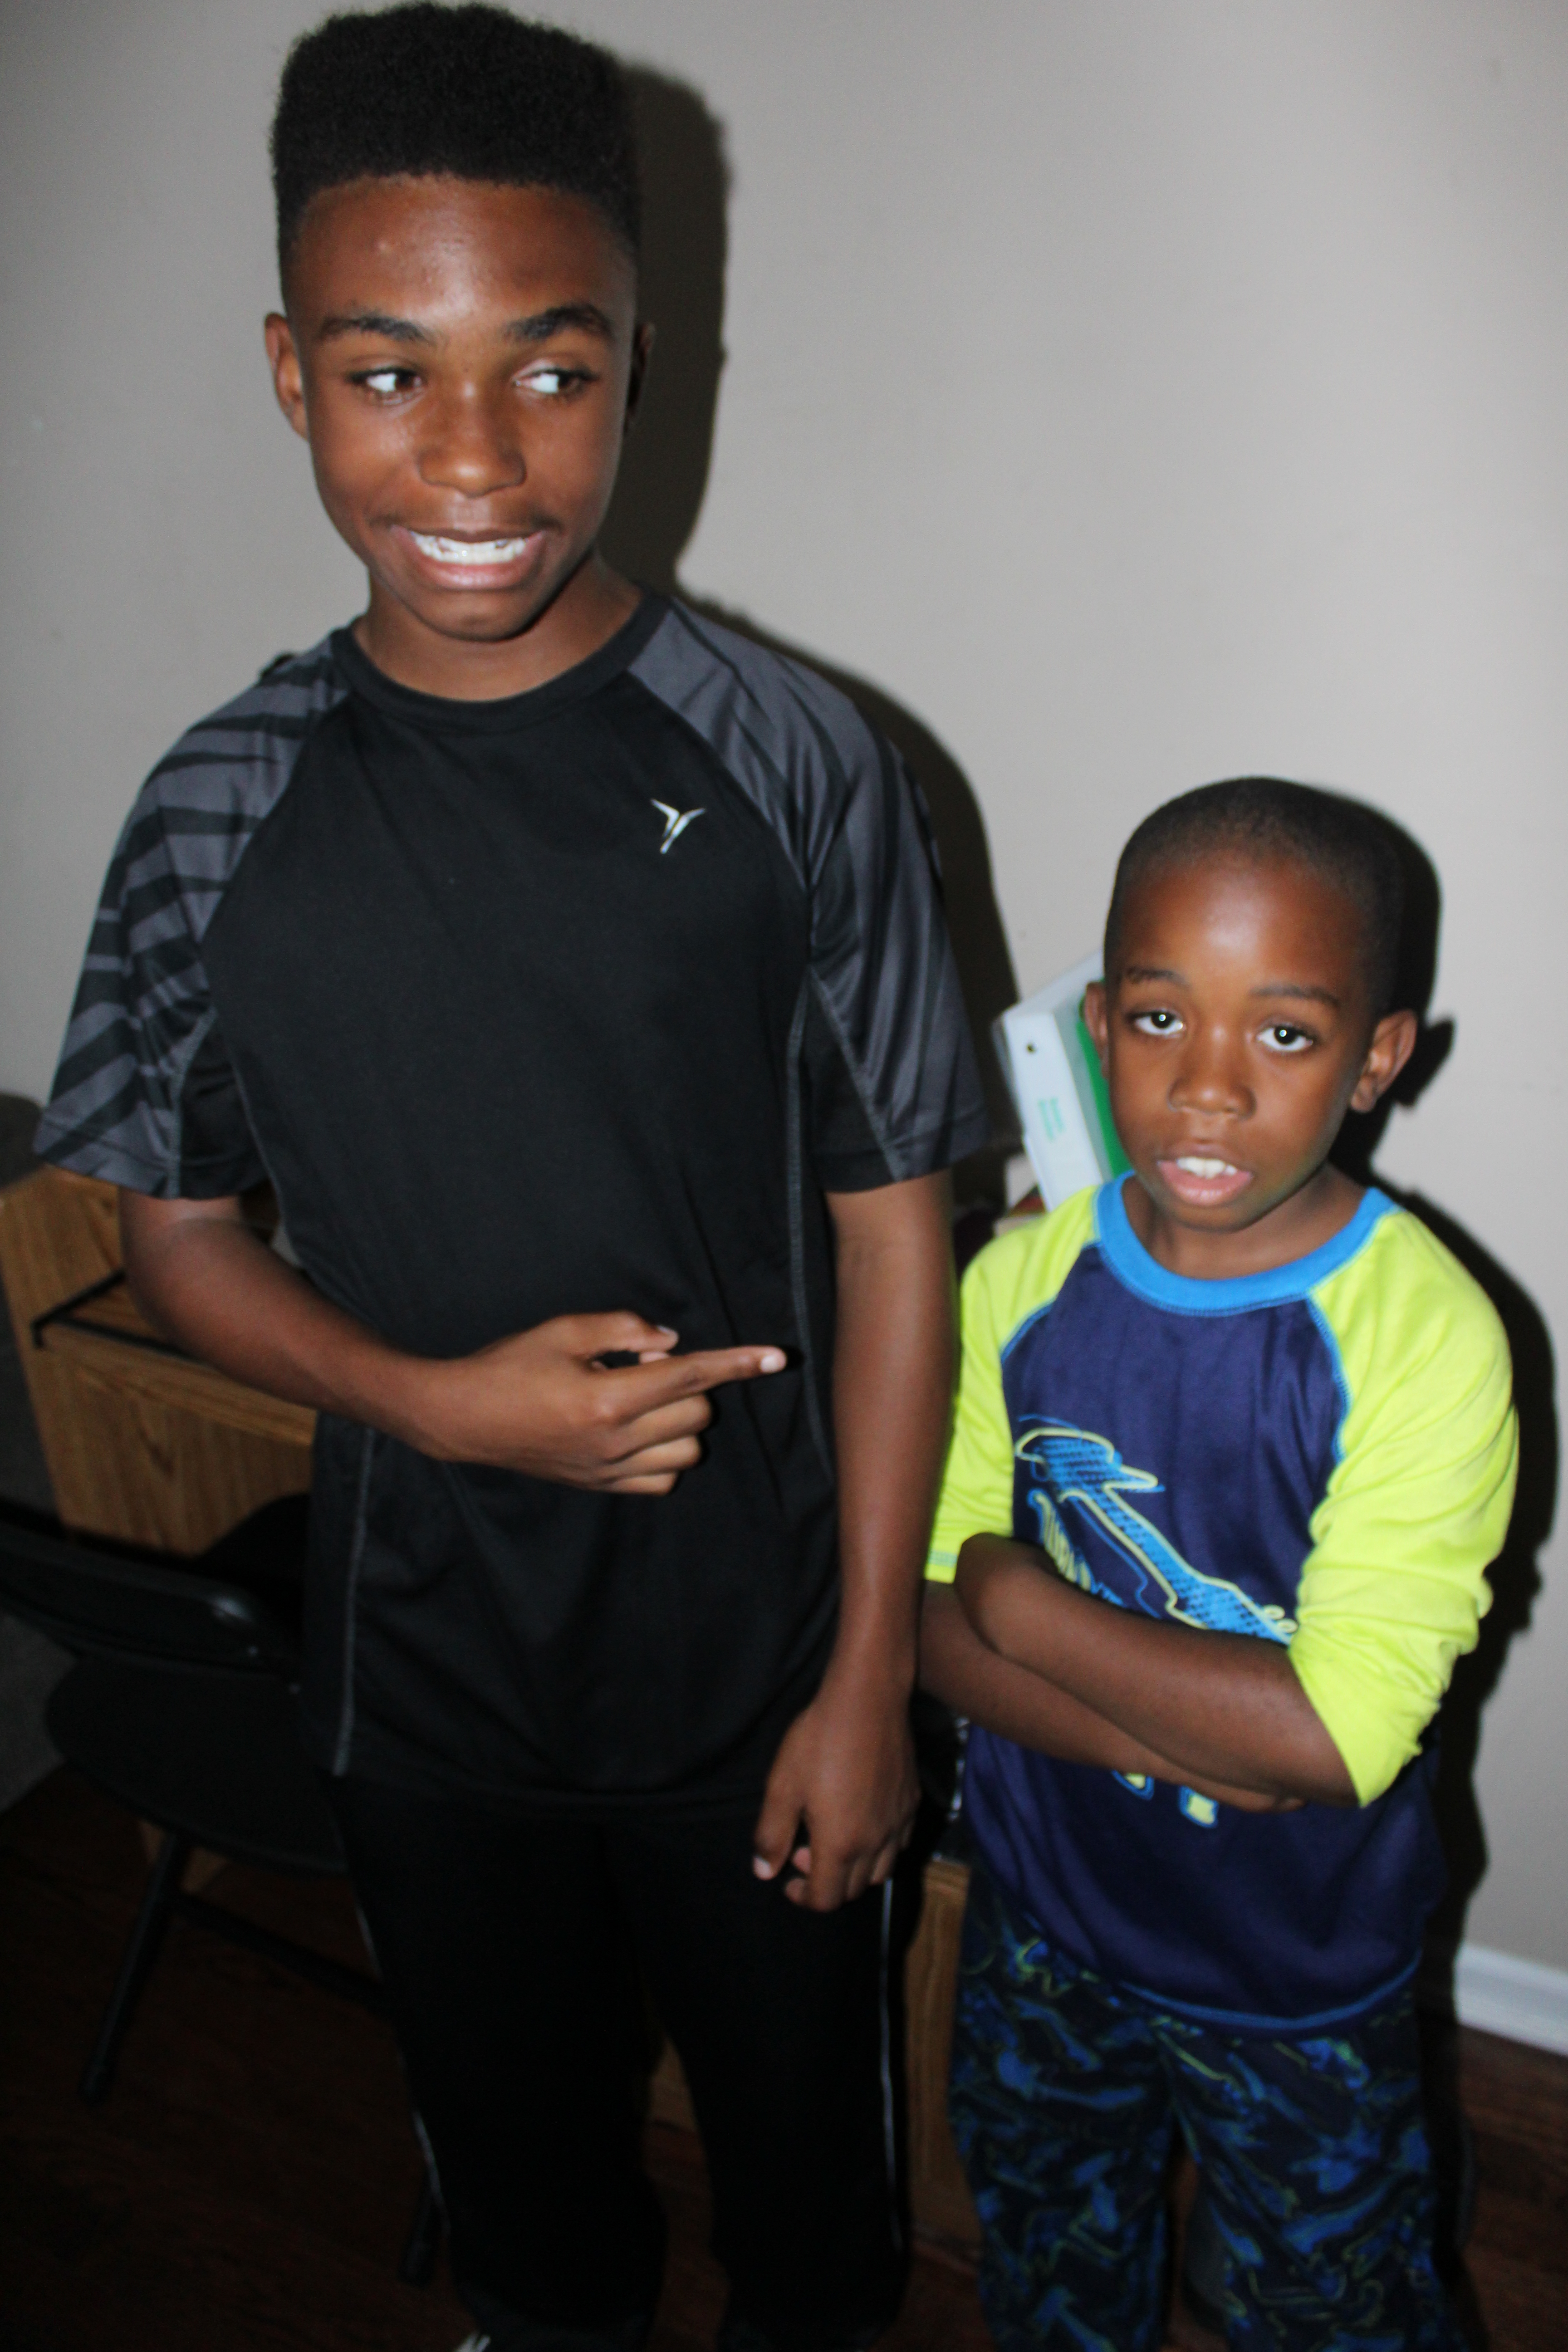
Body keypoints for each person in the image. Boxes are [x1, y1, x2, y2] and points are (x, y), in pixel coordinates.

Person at [34, 10, 989, 2348]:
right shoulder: (217, 811)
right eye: (388, 374)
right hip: (424, 1690)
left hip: (760, 1671)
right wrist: (441, 1406)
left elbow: (899, 1233)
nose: (473, 457)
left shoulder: (799, 763)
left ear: (644, 364)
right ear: (291, 373)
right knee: (532, 2211)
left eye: (551, 372)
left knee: (811, 2220)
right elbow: (172, 1236)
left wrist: (872, 1679)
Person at [920, 777, 1517, 2352]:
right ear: (1098, 1026)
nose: (1207, 1089)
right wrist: (1205, 1742)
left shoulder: (1423, 1339)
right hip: (1045, 1921)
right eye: (1161, 1019)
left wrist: (1021, 1602)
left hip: (1293, 1976)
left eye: (1287, 1034)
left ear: (1378, 1058)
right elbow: (925, 1620)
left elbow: (1330, 1739)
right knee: (1048, 2255)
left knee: (1337, 2306)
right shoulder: (1019, 1285)